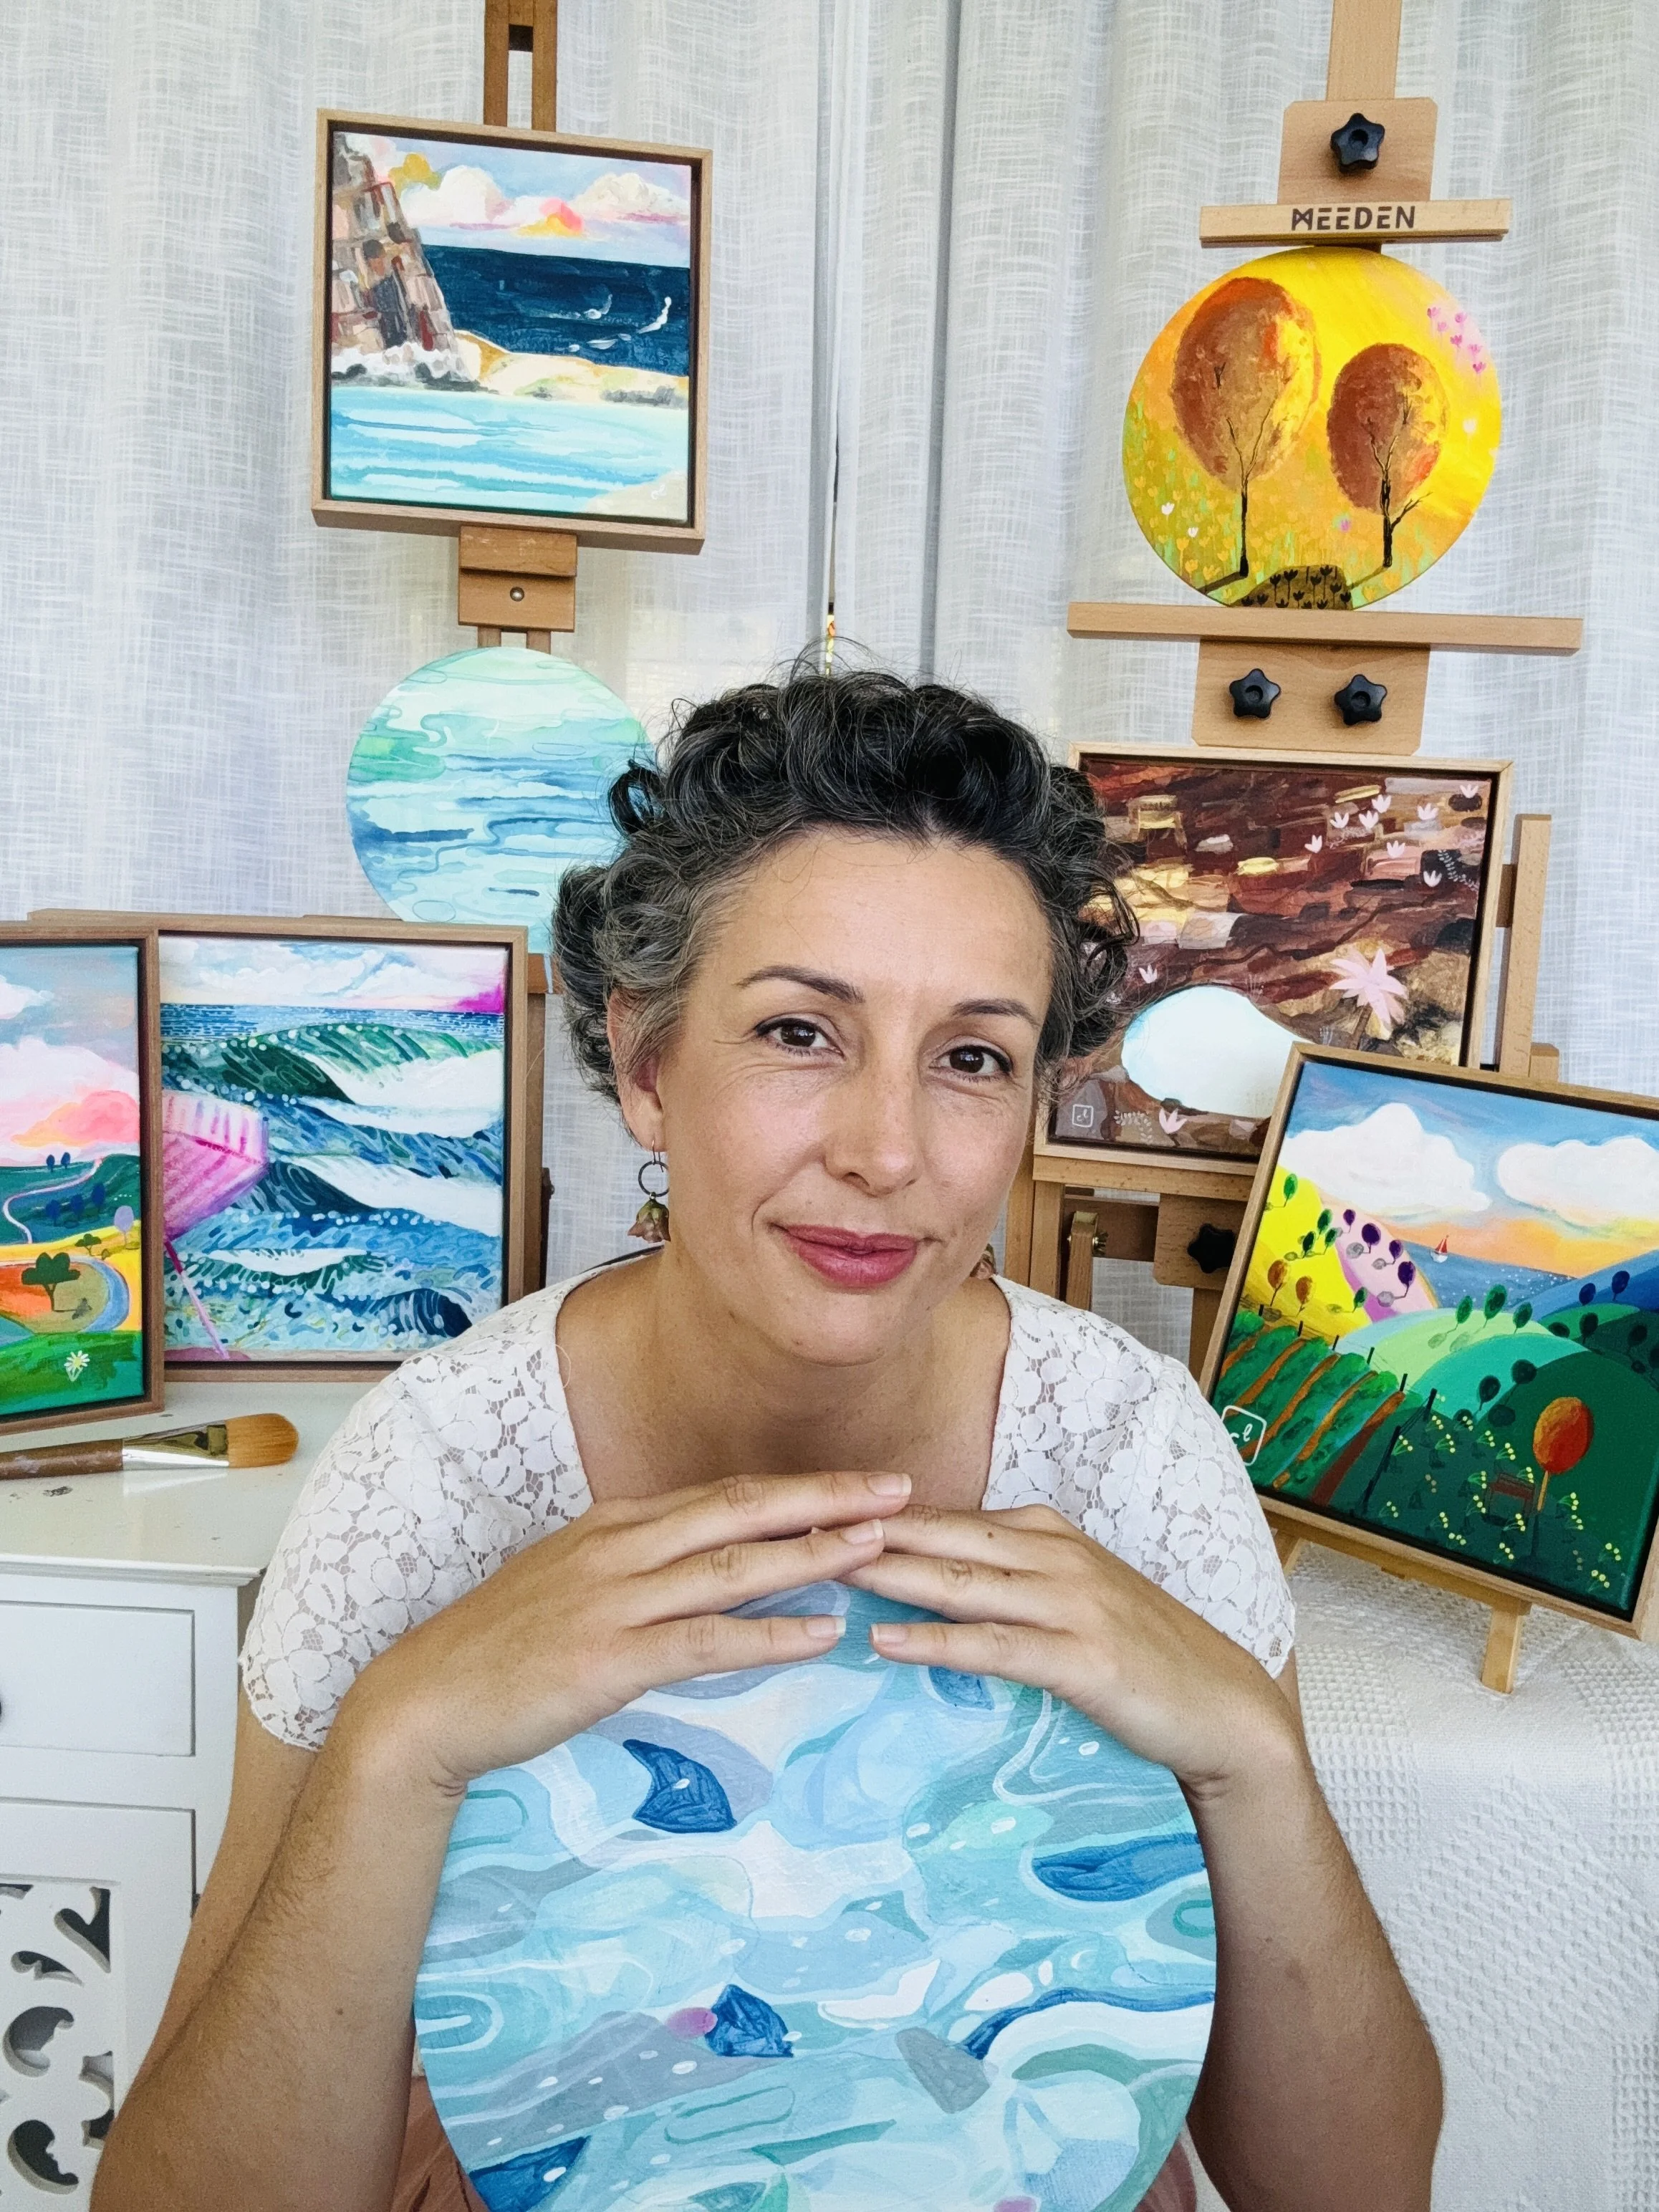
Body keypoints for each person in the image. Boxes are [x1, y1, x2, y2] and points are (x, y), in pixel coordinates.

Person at [94, 670, 1441, 2212]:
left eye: (973, 1056)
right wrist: (405, 1740)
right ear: (651, 1063)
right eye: (802, 1030)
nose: (885, 1148)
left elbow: (1360, 2188)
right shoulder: (439, 1469)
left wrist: (1248, 1753)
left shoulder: (1132, 1457)